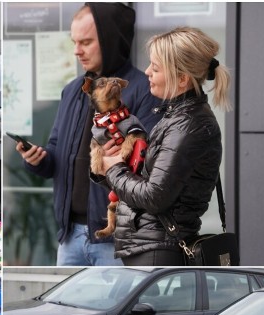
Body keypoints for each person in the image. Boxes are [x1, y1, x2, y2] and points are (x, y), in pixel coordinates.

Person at [16, 3, 160, 266]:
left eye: (86, 42)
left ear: (109, 40)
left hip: (117, 241)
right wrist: (38, 159)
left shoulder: (143, 90)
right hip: (69, 237)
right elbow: (55, 156)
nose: (76, 51)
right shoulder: (72, 91)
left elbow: (149, 165)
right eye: (74, 42)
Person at [97, 27, 230, 265]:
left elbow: (154, 196)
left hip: (158, 249)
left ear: (182, 79)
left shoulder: (188, 125)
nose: (147, 72)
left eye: (155, 68)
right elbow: (149, 183)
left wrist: (113, 170)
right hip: (150, 245)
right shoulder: (179, 118)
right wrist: (107, 167)